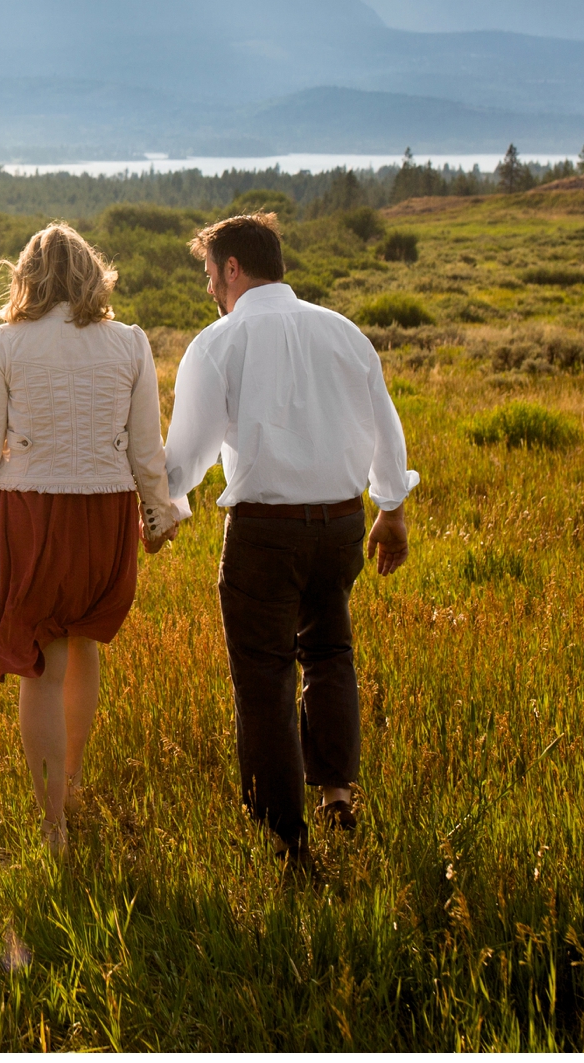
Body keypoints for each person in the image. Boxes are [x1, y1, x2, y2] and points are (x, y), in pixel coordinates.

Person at [161, 212, 416, 877]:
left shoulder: (219, 342)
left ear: (233, 269)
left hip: (262, 533)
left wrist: (159, 507)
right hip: (339, 524)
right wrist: (391, 509)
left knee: (264, 676)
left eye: (210, 273)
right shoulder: (344, 332)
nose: (210, 287)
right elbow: (384, 426)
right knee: (330, 651)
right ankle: (337, 792)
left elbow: (184, 457)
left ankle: (287, 839)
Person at [0, 222, 177, 856]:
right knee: (83, 645)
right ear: (92, 275)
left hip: (33, 512)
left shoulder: (6, 342)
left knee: (40, 669)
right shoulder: (130, 342)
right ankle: (69, 786)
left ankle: (54, 825)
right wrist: (157, 519)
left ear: (26, 277)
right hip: (106, 517)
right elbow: (146, 451)